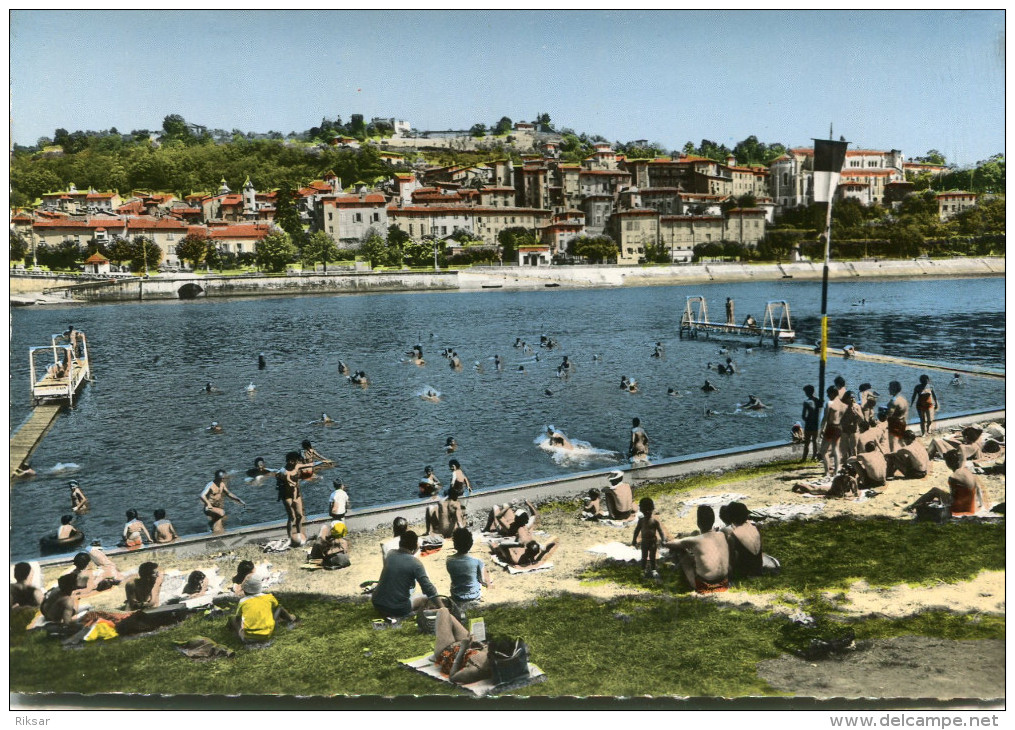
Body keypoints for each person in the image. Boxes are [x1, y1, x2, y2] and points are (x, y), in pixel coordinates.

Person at [371, 530, 445, 618]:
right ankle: (434, 611)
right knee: (425, 598)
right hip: (396, 608)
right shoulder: (415, 564)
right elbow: (429, 589)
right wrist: (442, 607)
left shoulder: (390, 554)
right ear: (415, 545)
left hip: (377, 603)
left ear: (400, 543)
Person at [664, 506, 730, 594]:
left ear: (698, 523)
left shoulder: (695, 540)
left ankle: (683, 584)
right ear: (713, 520)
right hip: (725, 584)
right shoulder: (722, 534)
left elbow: (670, 544)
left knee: (681, 551)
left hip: (705, 587)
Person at [904, 449, 989, 517]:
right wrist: (981, 505)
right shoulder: (968, 472)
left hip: (960, 508)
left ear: (948, 464)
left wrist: (940, 502)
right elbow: (978, 489)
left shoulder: (953, 477)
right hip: (972, 506)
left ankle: (911, 507)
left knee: (935, 491)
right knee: (938, 495)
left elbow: (952, 500)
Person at [228, 576, 297, 643]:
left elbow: (238, 617)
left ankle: (237, 634)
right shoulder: (269, 597)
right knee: (279, 607)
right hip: (268, 634)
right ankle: (291, 618)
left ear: (244, 590)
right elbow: (276, 606)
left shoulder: (243, 601)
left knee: (232, 618)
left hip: (248, 638)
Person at [446, 527, 493, 604]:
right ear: (470, 543)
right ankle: (489, 587)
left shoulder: (449, 560)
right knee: (485, 576)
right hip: (473, 596)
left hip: (456, 596)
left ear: (455, 544)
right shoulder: (477, 561)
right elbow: (481, 579)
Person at [722, 502, 763, 580]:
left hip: (744, 573)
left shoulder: (733, 537)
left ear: (730, 518)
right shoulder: (756, 528)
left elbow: (731, 560)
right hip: (758, 569)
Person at [201, 470, 246, 535]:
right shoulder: (210, 485)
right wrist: (208, 503)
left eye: (223, 478)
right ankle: (212, 525)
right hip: (209, 508)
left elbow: (228, 493)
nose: (223, 479)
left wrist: (238, 499)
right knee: (222, 512)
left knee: (219, 526)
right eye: (221, 478)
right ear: (216, 478)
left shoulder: (222, 484)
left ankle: (213, 528)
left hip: (216, 508)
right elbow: (202, 495)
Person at [275, 452, 306, 545]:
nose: (297, 462)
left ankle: (299, 535)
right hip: (287, 496)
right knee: (292, 516)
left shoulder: (296, 468)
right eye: (296, 461)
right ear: (291, 461)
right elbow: (278, 485)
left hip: (297, 494)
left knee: (300, 515)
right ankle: (289, 537)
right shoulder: (282, 471)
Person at [632, 497, 666, 579]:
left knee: (652, 556)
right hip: (644, 541)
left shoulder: (654, 521)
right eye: (645, 511)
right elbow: (636, 531)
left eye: (649, 511)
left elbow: (661, 531)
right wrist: (634, 540)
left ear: (652, 510)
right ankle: (643, 570)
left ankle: (653, 569)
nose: (647, 513)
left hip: (653, 541)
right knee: (644, 556)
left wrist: (663, 540)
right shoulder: (641, 521)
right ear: (642, 511)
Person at [818, 385, 846, 477]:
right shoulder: (843, 405)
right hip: (839, 427)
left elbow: (825, 419)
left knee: (824, 451)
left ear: (833, 393)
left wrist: (821, 430)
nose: (827, 395)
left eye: (828, 393)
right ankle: (836, 471)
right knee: (836, 449)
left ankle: (827, 472)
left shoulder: (829, 403)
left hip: (830, 428)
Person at [838, 391, 866, 459]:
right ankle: (845, 464)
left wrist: (856, 411)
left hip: (854, 429)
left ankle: (854, 465)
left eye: (853, 398)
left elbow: (862, 419)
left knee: (854, 448)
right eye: (850, 398)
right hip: (844, 429)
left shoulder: (857, 406)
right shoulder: (842, 406)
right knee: (844, 449)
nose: (852, 399)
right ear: (846, 398)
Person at [884, 381, 910, 452]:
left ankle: (893, 460)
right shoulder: (903, 399)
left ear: (894, 388)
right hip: (902, 422)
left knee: (892, 444)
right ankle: (907, 454)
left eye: (890, 387)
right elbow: (905, 412)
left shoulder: (893, 401)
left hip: (895, 424)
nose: (888, 389)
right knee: (901, 442)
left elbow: (889, 414)